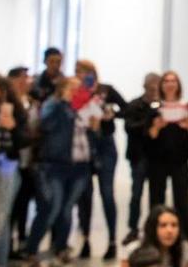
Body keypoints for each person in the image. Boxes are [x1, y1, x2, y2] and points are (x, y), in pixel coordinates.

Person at [25, 76, 94, 264]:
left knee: (67, 208)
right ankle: (32, 248)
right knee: (51, 207)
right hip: (56, 164)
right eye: (73, 87)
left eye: (78, 88)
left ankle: (61, 246)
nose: (76, 91)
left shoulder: (81, 107)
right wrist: (63, 103)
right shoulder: (53, 104)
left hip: (79, 164)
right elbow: (45, 124)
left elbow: (89, 131)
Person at [74, 59, 126, 260]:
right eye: (78, 72)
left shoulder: (106, 90)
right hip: (84, 145)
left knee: (106, 193)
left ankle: (112, 240)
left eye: (85, 71)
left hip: (104, 145)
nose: (81, 75)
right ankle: (85, 239)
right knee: (84, 195)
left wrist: (111, 113)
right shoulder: (76, 93)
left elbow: (126, 109)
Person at [0, 75, 29, 266]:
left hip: (6, 168)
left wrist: (13, 127)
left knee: (0, 219)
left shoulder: (16, 111)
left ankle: (1, 260)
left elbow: (23, 142)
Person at [146, 71, 188, 242]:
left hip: (180, 161)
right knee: (156, 202)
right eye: (166, 81)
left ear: (178, 84)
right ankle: (154, 240)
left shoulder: (186, 107)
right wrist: (156, 127)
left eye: (173, 81)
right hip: (158, 161)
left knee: (182, 203)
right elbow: (148, 136)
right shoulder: (154, 106)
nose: (169, 84)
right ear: (161, 85)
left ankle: (185, 241)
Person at [121, 72, 160, 245]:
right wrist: (150, 121)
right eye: (151, 88)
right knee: (136, 194)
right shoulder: (134, 105)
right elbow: (130, 127)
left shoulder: (161, 107)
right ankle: (133, 229)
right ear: (145, 87)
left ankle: (153, 229)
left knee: (156, 196)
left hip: (156, 158)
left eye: (156, 88)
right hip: (138, 157)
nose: (154, 91)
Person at [7, 66, 40, 257]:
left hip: (29, 160)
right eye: (20, 78)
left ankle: (22, 239)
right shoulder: (7, 104)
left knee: (23, 203)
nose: (24, 81)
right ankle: (7, 243)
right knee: (9, 206)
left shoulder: (33, 103)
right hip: (11, 161)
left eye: (26, 78)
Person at [120, 206, 188, 267]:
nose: (169, 231)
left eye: (174, 225)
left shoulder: (185, 249)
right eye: (163, 225)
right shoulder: (132, 250)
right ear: (152, 228)